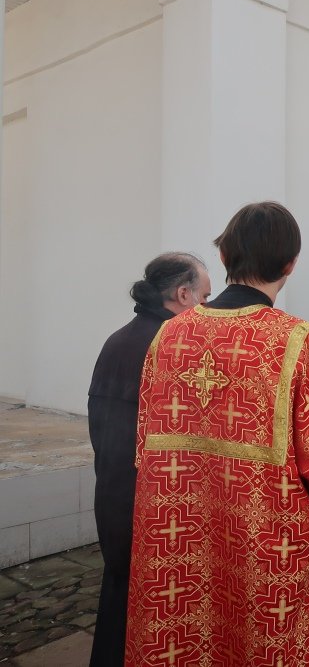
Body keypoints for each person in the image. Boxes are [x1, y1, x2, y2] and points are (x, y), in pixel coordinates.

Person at [125, 202, 309, 666]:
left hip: (183, 544)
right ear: (290, 264)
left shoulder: (168, 338)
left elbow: (145, 446)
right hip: (270, 548)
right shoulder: (304, 344)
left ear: (224, 257)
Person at [87, 252, 210, 667]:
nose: (208, 308)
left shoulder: (118, 339)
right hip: (155, 511)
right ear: (183, 294)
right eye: (205, 297)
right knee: (155, 615)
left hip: (114, 495)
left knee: (117, 604)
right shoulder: (171, 348)